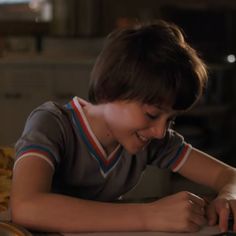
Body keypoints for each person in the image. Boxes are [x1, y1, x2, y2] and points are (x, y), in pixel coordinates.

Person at [10, 20, 236, 233]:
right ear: (109, 91)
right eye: (152, 114)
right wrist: (149, 216)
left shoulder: (153, 139)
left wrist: (228, 196)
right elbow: (26, 206)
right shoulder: (52, 123)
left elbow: (229, 175)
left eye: (170, 119)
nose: (160, 131)